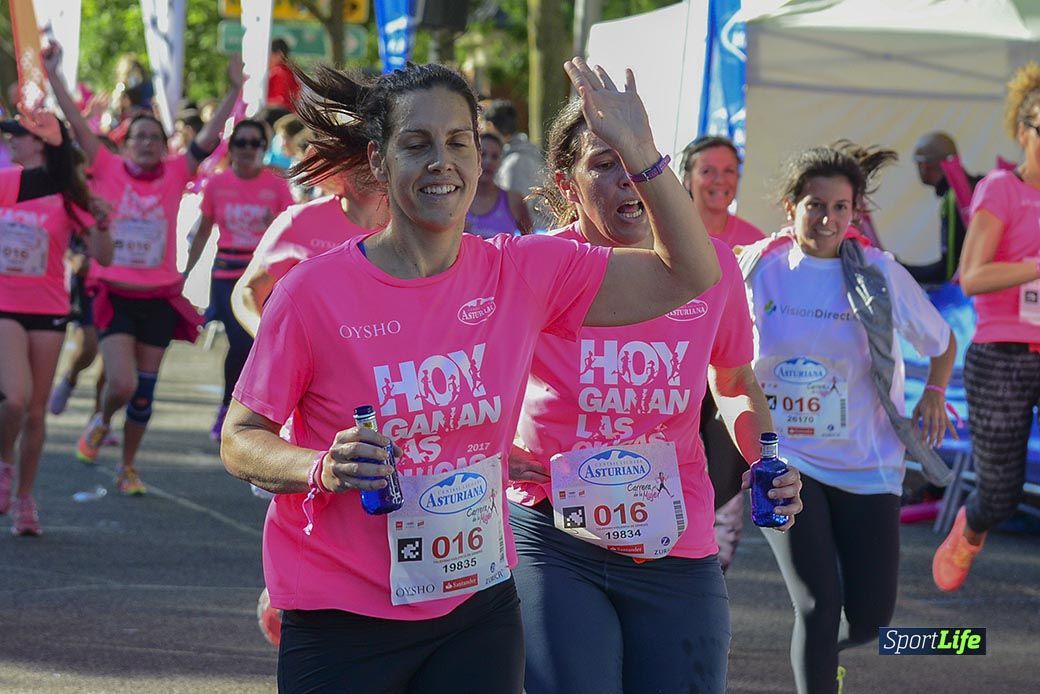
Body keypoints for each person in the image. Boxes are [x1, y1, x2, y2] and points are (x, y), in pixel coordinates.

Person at [220, 58, 721, 692]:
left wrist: (640, 152)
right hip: (343, 614)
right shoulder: (312, 293)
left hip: (475, 609)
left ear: (481, 158)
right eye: (416, 143)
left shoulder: (524, 272)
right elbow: (241, 436)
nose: (441, 160)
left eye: (459, 141)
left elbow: (691, 273)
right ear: (378, 161)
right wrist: (321, 466)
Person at [505, 101, 802, 693]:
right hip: (551, 533)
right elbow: (469, 371)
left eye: (641, 161)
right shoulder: (531, 265)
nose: (629, 179)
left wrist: (766, 457)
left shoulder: (709, 266)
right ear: (567, 183)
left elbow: (734, 380)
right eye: (604, 164)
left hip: (672, 535)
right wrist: (488, 448)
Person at [740, 142, 957, 694]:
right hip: (786, 458)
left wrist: (933, 391)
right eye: (816, 205)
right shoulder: (758, 268)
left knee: (869, 618)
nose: (828, 218)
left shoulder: (879, 274)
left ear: (855, 211)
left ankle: (821, 655)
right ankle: (815, 671)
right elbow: (720, 351)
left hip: (867, 462)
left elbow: (941, 339)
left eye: (840, 208)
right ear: (791, 207)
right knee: (816, 601)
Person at [44, 42, 243, 494]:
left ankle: (128, 466)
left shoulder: (176, 172)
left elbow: (210, 137)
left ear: (163, 144)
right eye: (140, 138)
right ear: (126, 143)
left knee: (145, 391)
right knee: (122, 382)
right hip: (112, 291)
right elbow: (74, 122)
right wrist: (54, 73)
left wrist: (234, 90)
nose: (148, 144)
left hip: (158, 295)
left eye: (155, 138)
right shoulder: (105, 166)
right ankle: (101, 419)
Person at [933, 63, 1040, 592]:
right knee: (1000, 493)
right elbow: (972, 277)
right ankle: (969, 530)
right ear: (1023, 130)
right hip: (1005, 354)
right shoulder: (1003, 189)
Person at [0, 115, 113, 535]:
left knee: (34, 412)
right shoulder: (8, 181)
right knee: (13, 399)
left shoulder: (68, 194)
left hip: (47, 310)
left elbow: (104, 255)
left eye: (19, 135)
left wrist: (101, 223)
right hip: (4, 307)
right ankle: (4, 465)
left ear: (42, 143)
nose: (10, 140)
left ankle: (25, 500)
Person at [680, 134, 765, 571]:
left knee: (724, 488)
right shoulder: (665, 231)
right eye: (708, 170)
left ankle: (713, 574)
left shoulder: (754, 242)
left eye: (729, 171)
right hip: (671, 376)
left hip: (725, 379)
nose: (719, 180)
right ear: (688, 177)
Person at [182, 119, 293, 439]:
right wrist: (186, 274)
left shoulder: (276, 187)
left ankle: (266, 414)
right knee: (242, 343)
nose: (247, 150)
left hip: (264, 279)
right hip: (228, 276)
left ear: (264, 148)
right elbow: (202, 231)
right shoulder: (218, 185)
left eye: (255, 144)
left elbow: (291, 233)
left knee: (265, 346)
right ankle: (228, 410)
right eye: (240, 143)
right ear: (231, 149)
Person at [229, 166, 389, 338]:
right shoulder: (299, 219)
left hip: (390, 361)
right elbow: (248, 291)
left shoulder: (413, 228)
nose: (370, 164)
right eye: (360, 155)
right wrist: (271, 342)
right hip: (312, 361)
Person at [903, 132, 982, 286]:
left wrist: (901, 269)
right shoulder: (979, 186)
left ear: (925, 166)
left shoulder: (955, 198)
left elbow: (950, 269)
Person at [483, 99, 549, 228]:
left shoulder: (515, 163)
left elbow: (513, 212)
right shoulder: (523, 153)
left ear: (490, 126)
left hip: (535, 235)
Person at [464, 132, 532, 238]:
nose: (488, 161)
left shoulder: (514, 201)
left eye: (495, 157)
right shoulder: (456, 198)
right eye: (483, 155)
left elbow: (530, 243)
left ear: (501, 162)